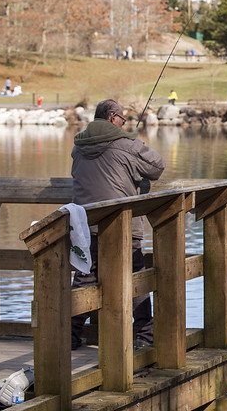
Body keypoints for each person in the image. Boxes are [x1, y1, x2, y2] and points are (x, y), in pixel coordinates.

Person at [70, 99, 165, 350]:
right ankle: (145, 337)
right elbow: (157, 167)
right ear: (113, 118)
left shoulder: (78, 146)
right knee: (135, 280)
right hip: (123, 227)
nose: (124, 124)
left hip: (86, 226)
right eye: (122, 120)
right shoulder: (127, 145)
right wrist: (136, 145)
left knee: (84, 277)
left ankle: (68, 334)